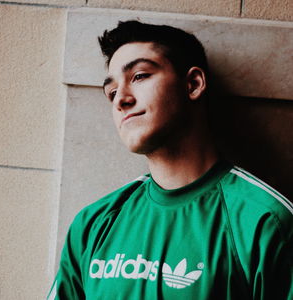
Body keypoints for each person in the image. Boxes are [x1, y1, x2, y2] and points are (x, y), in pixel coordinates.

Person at [47, 21, 293, 299]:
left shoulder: (265, 221)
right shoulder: (93, 224)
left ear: (193, 84)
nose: (121, 100)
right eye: (112, 92)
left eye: (139, 76)